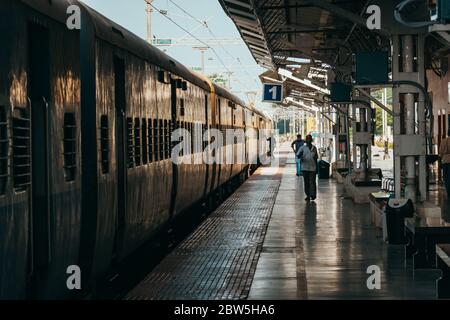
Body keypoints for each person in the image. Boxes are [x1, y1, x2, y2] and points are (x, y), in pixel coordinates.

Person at [298, 135, 318, 201]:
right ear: (305, 140)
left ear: (311, 140)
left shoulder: (314, 148)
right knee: (306, 182)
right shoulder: (302, 148)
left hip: (313, 168)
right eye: (307, 139)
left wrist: (316, 168)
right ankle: (308, 195)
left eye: (309, 139)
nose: (308, 140)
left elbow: (316, 157)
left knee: (312, 182)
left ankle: (313, 195)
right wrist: (300, 155)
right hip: (305, 168)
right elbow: (298, 155)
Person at [439, 130, 450, 198]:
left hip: (445, 161)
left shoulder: (443, 141)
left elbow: (440, 152)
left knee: (446, 177)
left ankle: (448, 192)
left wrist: (440, 163)